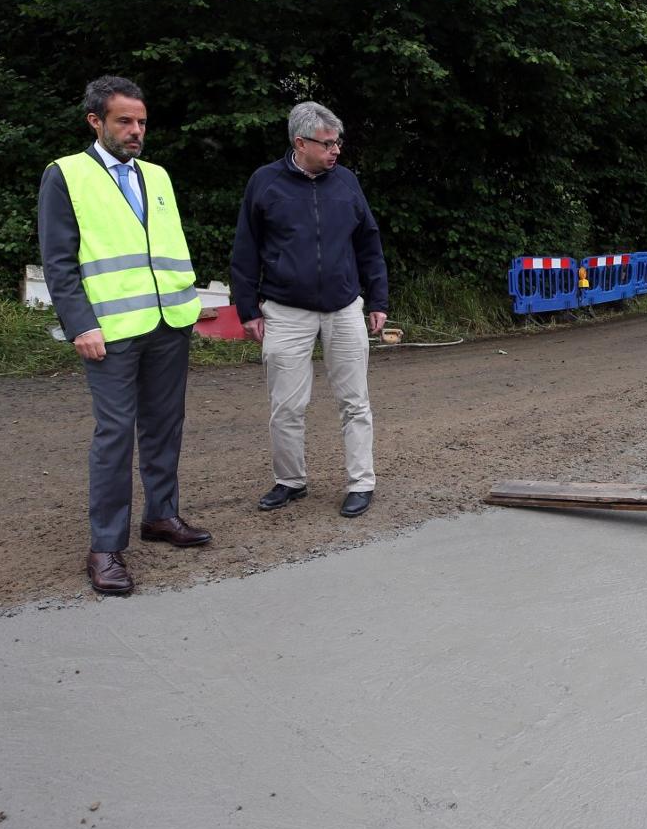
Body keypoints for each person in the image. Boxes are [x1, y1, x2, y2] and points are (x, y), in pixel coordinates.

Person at [38, 76, 211, 596]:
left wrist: (188, 308)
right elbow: (58, 261)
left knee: (165, 425)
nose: (136, 130)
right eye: (124, 121)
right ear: (96, 121)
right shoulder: (66, 175)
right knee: (115, 434)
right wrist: (80, 324)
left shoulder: (156, 175)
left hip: (168, 324)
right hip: (108, 332)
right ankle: (105, 547)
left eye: (141, 122)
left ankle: (161, 515)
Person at [231, 102, 389, 518]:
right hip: (285, 311)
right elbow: (245, 250)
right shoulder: (265, 183)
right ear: (300, 143)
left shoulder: (347, 182)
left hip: (344, 308)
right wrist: (247, 309)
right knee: (286, 405)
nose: (336, 150)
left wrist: (378, 300)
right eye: (327, 143)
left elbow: (368, 243)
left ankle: (361, 482)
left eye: (338, 142)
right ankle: (290, 480)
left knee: (355, 402)